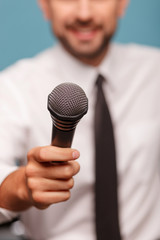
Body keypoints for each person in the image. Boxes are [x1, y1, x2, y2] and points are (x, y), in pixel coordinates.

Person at [0, 0, 160, 239]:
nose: (84, 13)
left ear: (122, 4)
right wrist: (22, 186)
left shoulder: (155, 70)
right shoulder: (12, 87)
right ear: (45, 6)